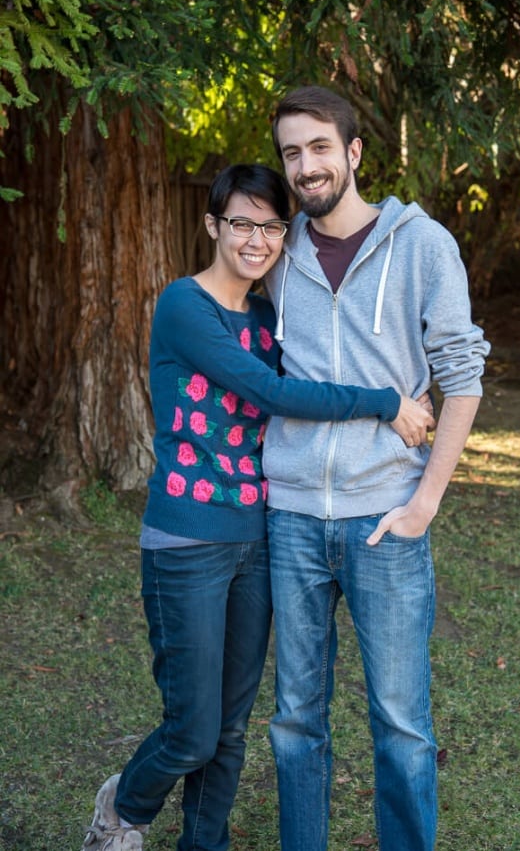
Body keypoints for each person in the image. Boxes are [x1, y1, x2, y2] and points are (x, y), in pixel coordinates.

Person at [80, 163, 435, 851]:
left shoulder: (271, 316)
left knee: (233, 726)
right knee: (192, 728)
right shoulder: (185, 306)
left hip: (260, 539)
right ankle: (122, 808)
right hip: (186, 541)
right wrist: (385, 404)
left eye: (271, 226)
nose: (257, 239)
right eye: (241, 223)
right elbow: (275, 395)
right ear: (213, 226)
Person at [263, 86, 491, 851]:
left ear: (353, 152)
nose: (306, 165)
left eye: (320, 147)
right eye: (292, 152)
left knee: (400, 725)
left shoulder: (421, 245)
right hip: (291, 515)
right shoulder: (276, 249)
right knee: (296, 721)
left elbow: (462, 376)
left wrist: (425, 501)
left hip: (384, 520)